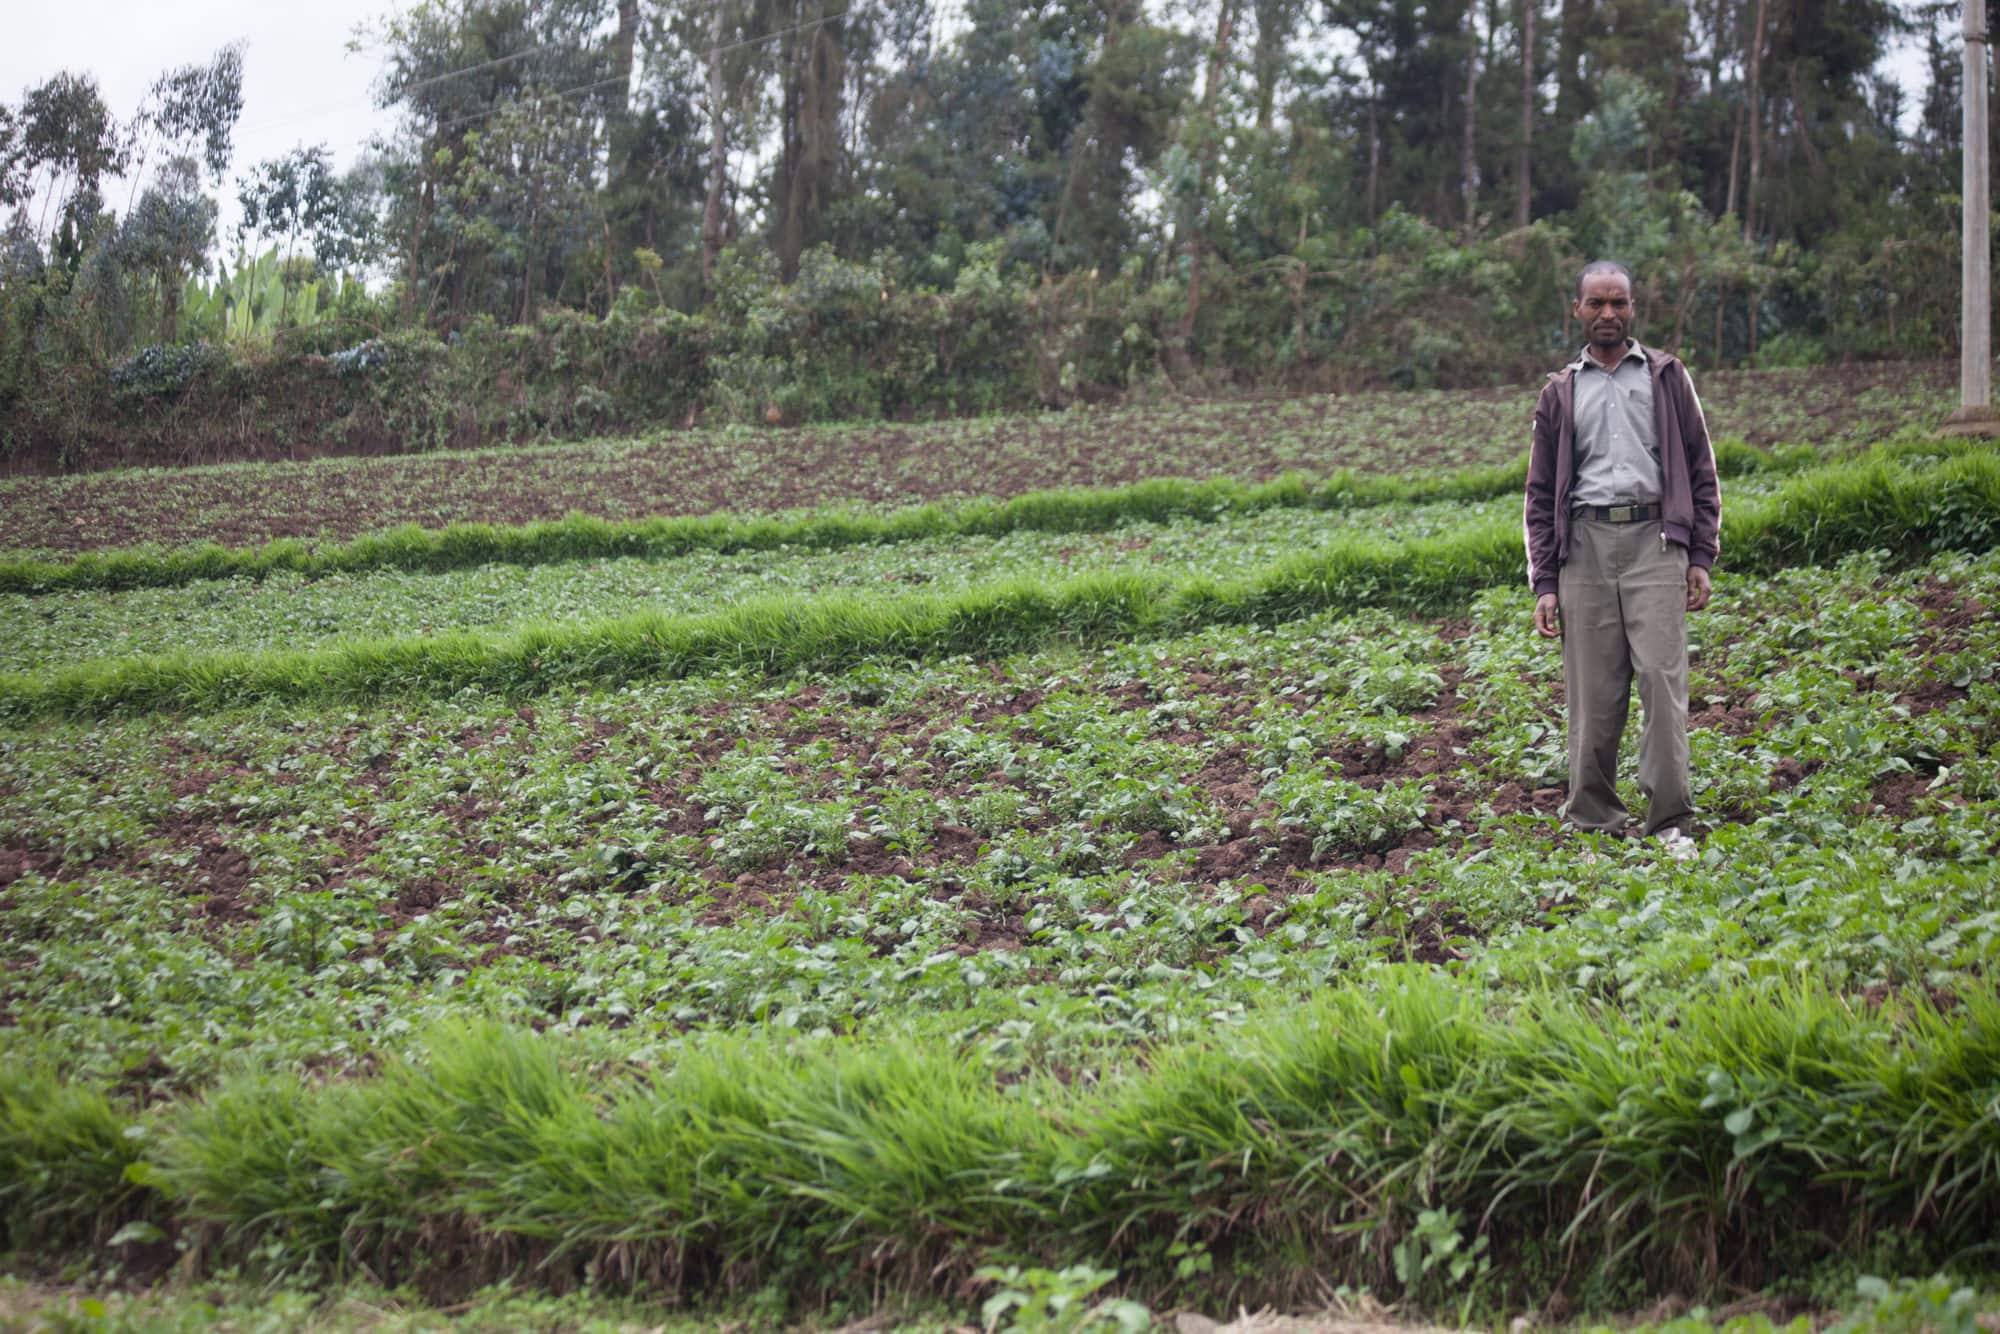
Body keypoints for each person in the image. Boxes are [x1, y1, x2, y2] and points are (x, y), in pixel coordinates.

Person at [1523, 260, 1720, 841]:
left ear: (1632, 309)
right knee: (1593, 694)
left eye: (1619, 303)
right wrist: (1546, 582)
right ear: (1577, 310)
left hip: (1656, 544)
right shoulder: (1560, 392)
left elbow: (1702, 469)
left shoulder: (1666, 376)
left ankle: (1670, 821)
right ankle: (1594, 821)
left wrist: (1700, 555)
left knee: (1662, 682)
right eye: (1596, 304)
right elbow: (1538, 494)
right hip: (1583, 548)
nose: (1607, 313)